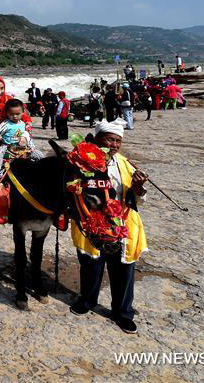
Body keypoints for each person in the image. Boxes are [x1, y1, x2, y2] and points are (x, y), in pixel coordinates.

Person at [69, 119, 149, 335]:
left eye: (117, 141)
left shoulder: (125, 164)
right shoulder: (79, 160)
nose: (113, 145)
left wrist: (138, 187)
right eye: (109, 139)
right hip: (91, 222)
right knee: (91, 265)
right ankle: (87, 301)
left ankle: (123, 313)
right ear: (97, 139)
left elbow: (135, 201)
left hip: (121, 224)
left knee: (123, 269)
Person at [0, 99, 40, 180]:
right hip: (7, 147)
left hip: (21, 149)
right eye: (12, 114)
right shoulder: (5, 124)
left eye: (17, 114)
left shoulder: (23, 124)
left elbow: (27, 137)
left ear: (23, 112)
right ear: (7, 113)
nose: (15, 116)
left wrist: (31, 148)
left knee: (37, 153)